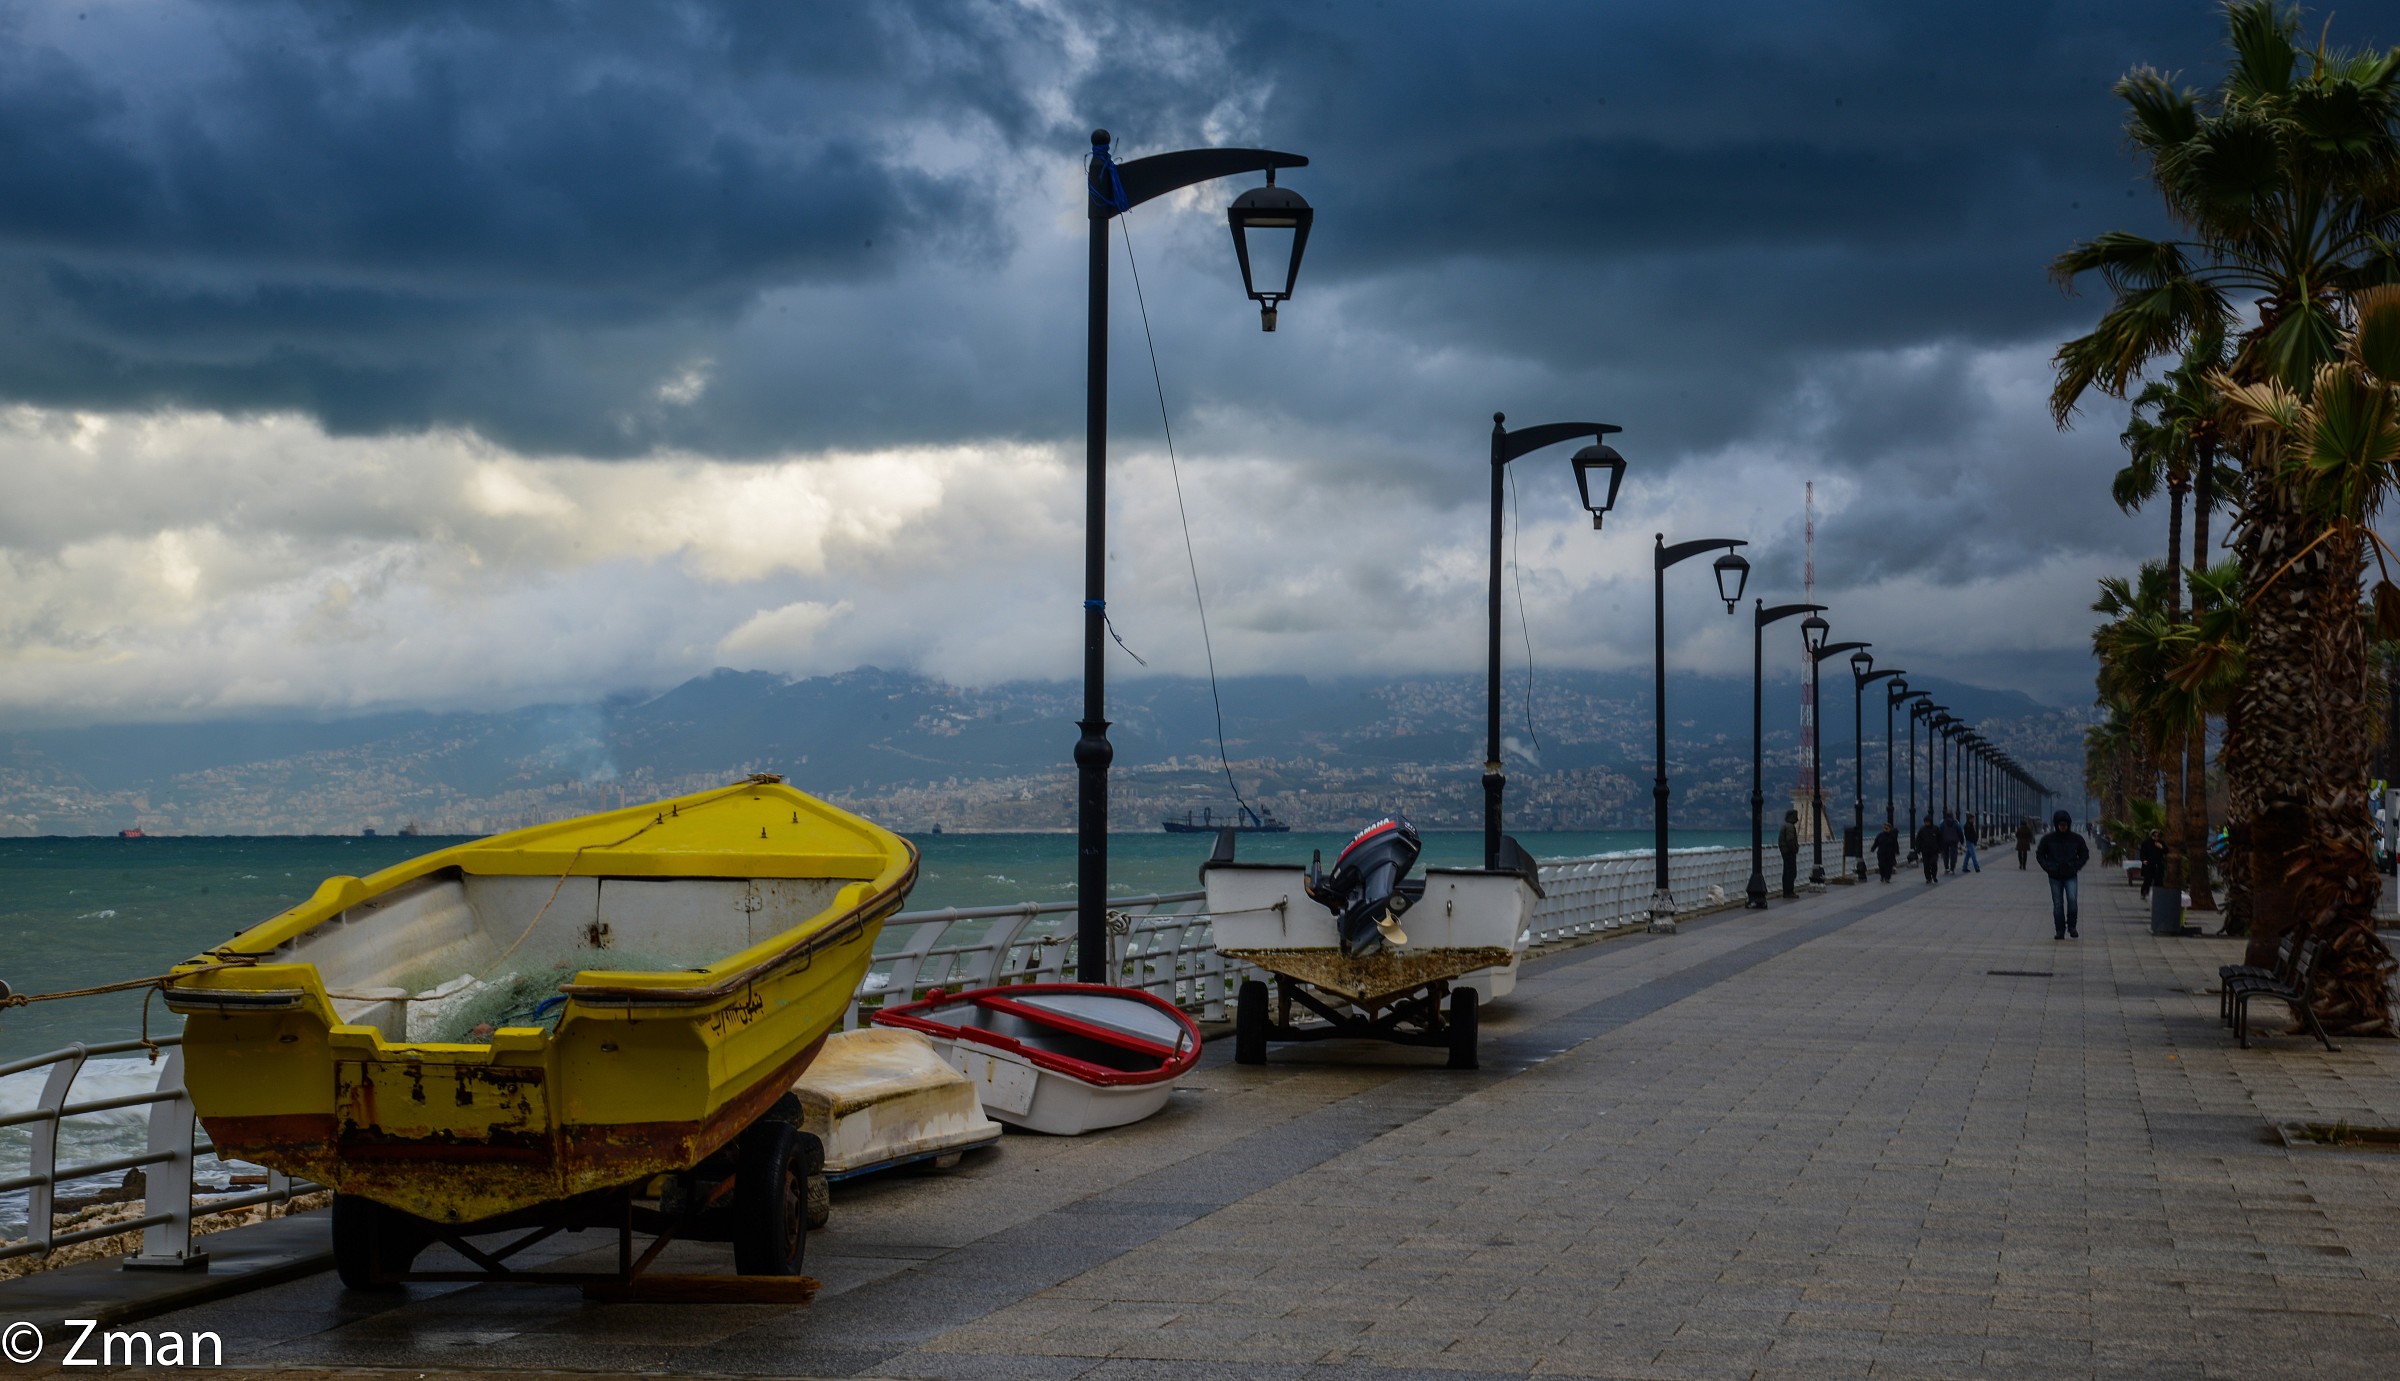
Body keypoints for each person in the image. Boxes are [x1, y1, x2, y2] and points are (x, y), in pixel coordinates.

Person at [2035, 810, 2090, 939]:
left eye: (2065, 825)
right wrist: (2048, 867)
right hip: (2054, 875)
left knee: (2072, 900)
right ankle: (2060, 930)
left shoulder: (2076, 839)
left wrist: (2076, 866)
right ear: (2056, 825)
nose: (2063, 827)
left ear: (2068, 824)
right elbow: (2040, 854)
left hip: (2070, 874)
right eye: (2061, 825)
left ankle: (2072, 926)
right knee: (2058, 903)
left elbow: (2084, 854)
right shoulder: (2048, 839)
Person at [1777, 809, 1801, 899]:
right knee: (1791, 872)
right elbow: (1790, 840)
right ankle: (1789, 892)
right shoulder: (1790, 827)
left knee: (1786, 871)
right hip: (1789, 852)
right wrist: (1794, 849)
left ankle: (1786, 891)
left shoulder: (1785, 826)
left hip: (1784, 851)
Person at [1913, 813, 1943, 884]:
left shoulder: (1936, 829)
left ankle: (1934, 876)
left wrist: (1940, 848)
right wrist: (1918, 849)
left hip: (1934, 851)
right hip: (1925, 851)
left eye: (1928, 821)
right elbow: (1918, 840)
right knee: (1926, 865)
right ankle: (1928, 878)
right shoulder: (1922, 830)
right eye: (1925, 822)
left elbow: (1940, 839)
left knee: (1933, 863)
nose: (1927, 823)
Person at [2138, 829, 2167, 900]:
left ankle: (2158, 894)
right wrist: (2143, 860)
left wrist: (2161, 847)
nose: (2156, 837)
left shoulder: (2161, 843)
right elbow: (2142, 853)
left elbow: (2166, 851)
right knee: (2147, 880)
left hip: (2158, 864)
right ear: (2151, 835)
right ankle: (2144, 893)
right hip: (2149, 864)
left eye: (2157, 836)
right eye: (2154, 836)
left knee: (2159, 880)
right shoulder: (2146, 843)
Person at [1938, 810, 1962, 874]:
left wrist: (1939, 842)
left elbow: (1939, 832)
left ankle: (1946, 867)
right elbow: (1960, 831)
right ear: (1952, 815)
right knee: (1953, 854)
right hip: (1954, 841)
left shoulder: (1942, 823)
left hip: (1944, 841)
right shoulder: (1956, 822)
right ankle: (1952, 868)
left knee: (1945, 854)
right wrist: (1962, 841)